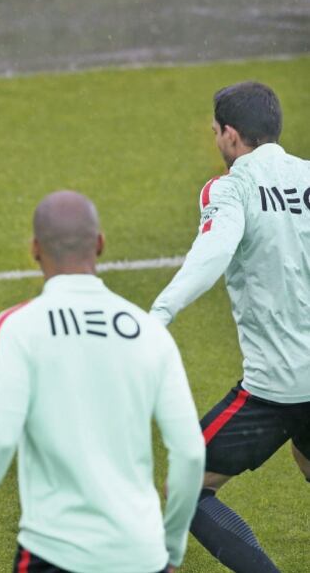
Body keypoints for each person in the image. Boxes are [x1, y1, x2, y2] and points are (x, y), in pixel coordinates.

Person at [0, 191, 205, 573]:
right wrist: (172, 548)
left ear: (34, 248)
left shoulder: (18, 327)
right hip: (141, 555)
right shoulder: (148, 332)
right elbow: (191, 453)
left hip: (54, 554)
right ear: (99, 244)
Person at [150, 81, 310, 573]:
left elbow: (213, 253)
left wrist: (160, 314)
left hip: (274, 391)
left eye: (217, 131)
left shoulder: (230, 187)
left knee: (185, 488)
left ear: (231, 135)